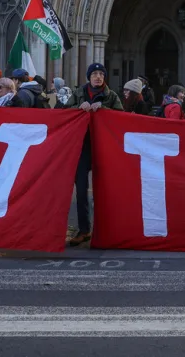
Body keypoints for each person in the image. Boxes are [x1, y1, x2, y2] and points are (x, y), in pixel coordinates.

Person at [65, 63, 122, 246]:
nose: (98, 77)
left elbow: (122, 118)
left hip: (104, 147)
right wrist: (77, 108)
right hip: (82, 146)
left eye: (101, 74)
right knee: (81, 190)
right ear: (89, 77)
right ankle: (84, 230)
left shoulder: (111, 96)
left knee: (106, 190)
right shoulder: (78, 93)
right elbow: (62, 112)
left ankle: (107, 231)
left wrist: (104, 109)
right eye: (95, 74)